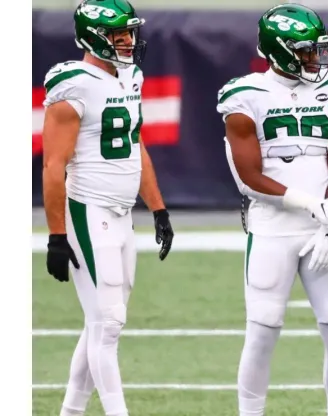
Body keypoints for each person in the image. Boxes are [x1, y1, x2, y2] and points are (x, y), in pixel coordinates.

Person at [216, 4, 328, 416]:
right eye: (305, 50)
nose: (316, 58)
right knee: (262, 331)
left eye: (318, 49)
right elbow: (248, 177)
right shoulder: (245, 94)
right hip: (273, 226)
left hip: (324, 228)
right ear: (279, 51)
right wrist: (312, 204)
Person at [42, 1, 174, 415]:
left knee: (101, 323)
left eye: (129, 33)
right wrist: (57, 235)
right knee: (109, 324)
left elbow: (135, 146)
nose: (128, 41)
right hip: (89, 209)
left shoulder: (130, 75)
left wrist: (158, 209)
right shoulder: (73, 83)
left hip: (121, 213)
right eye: (118, 35)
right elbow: (53, 165)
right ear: (92, 37)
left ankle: (71, 411)